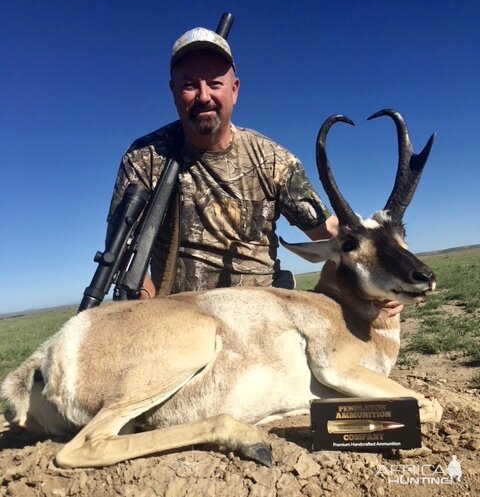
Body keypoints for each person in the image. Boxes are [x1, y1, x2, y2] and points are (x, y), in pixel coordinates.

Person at [108, 26, 402, 315]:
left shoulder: (272, 159)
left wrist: (387, 272)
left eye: (214, 83)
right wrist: (149, 312)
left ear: (234, 90)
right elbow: (120, 250)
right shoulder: (144, 159)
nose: (203, 95)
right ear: (173, 92)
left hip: (263, 319)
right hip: (182, 320)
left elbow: (328, 230)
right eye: (188, 85)